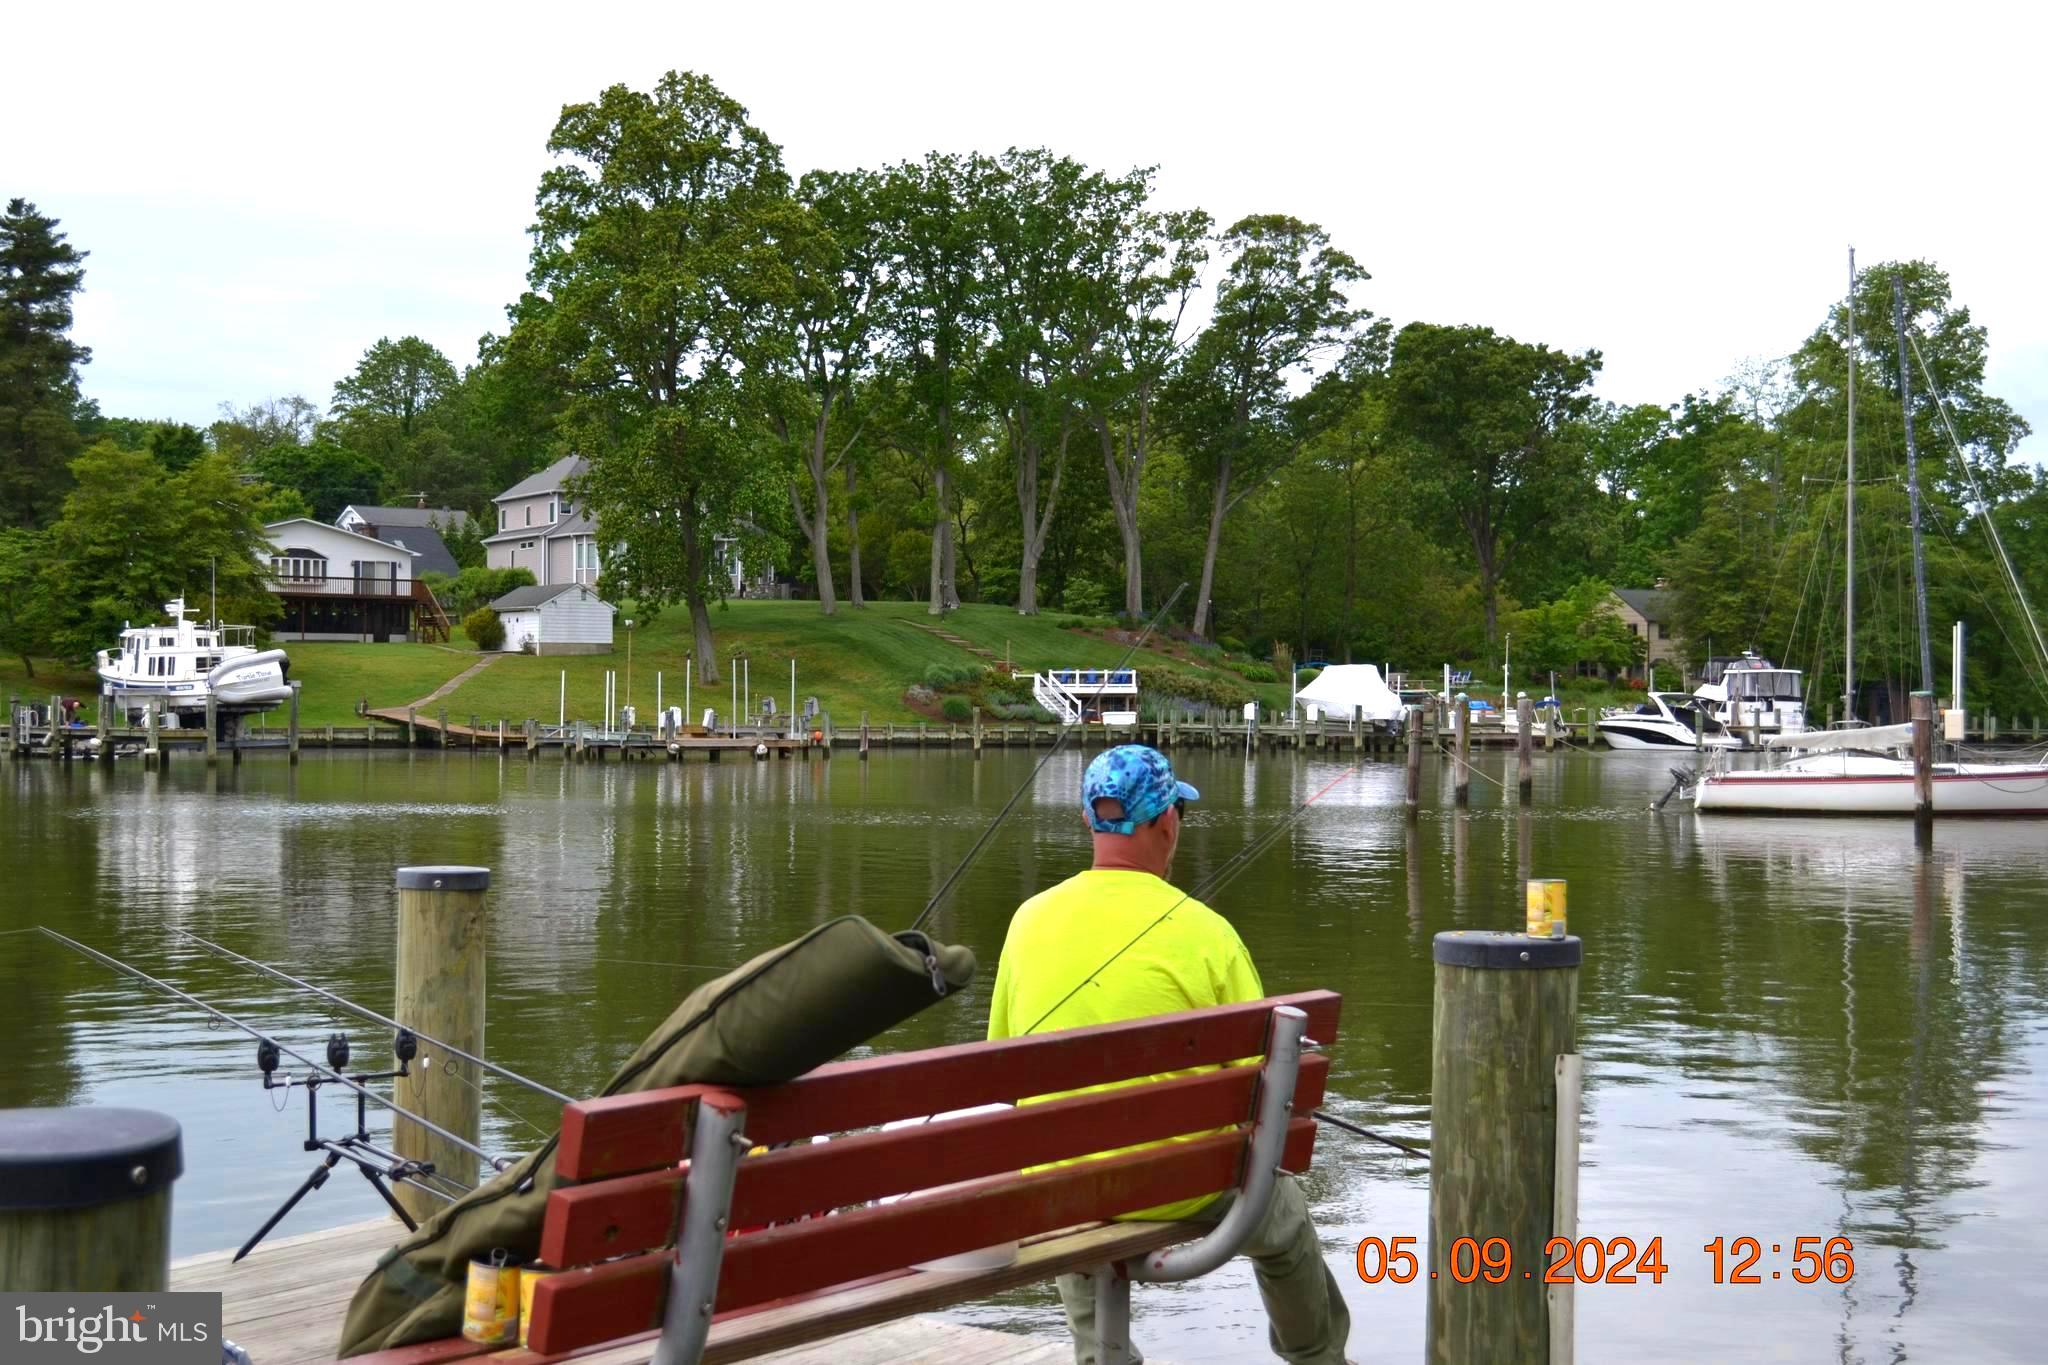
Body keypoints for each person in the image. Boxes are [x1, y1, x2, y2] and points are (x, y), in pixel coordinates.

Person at [986, 744, 1352, 1365]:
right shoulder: (1208, 932)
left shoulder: (1027, 922)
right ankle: (1317, 1357)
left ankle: (1100, 1356)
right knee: (1284, 1221)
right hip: (1182, 1186)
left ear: (1087, 821)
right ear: (1167, 823)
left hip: (1066, 1194)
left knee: (1067, 1170)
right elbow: (1261, 1088)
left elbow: (1004, 1066)